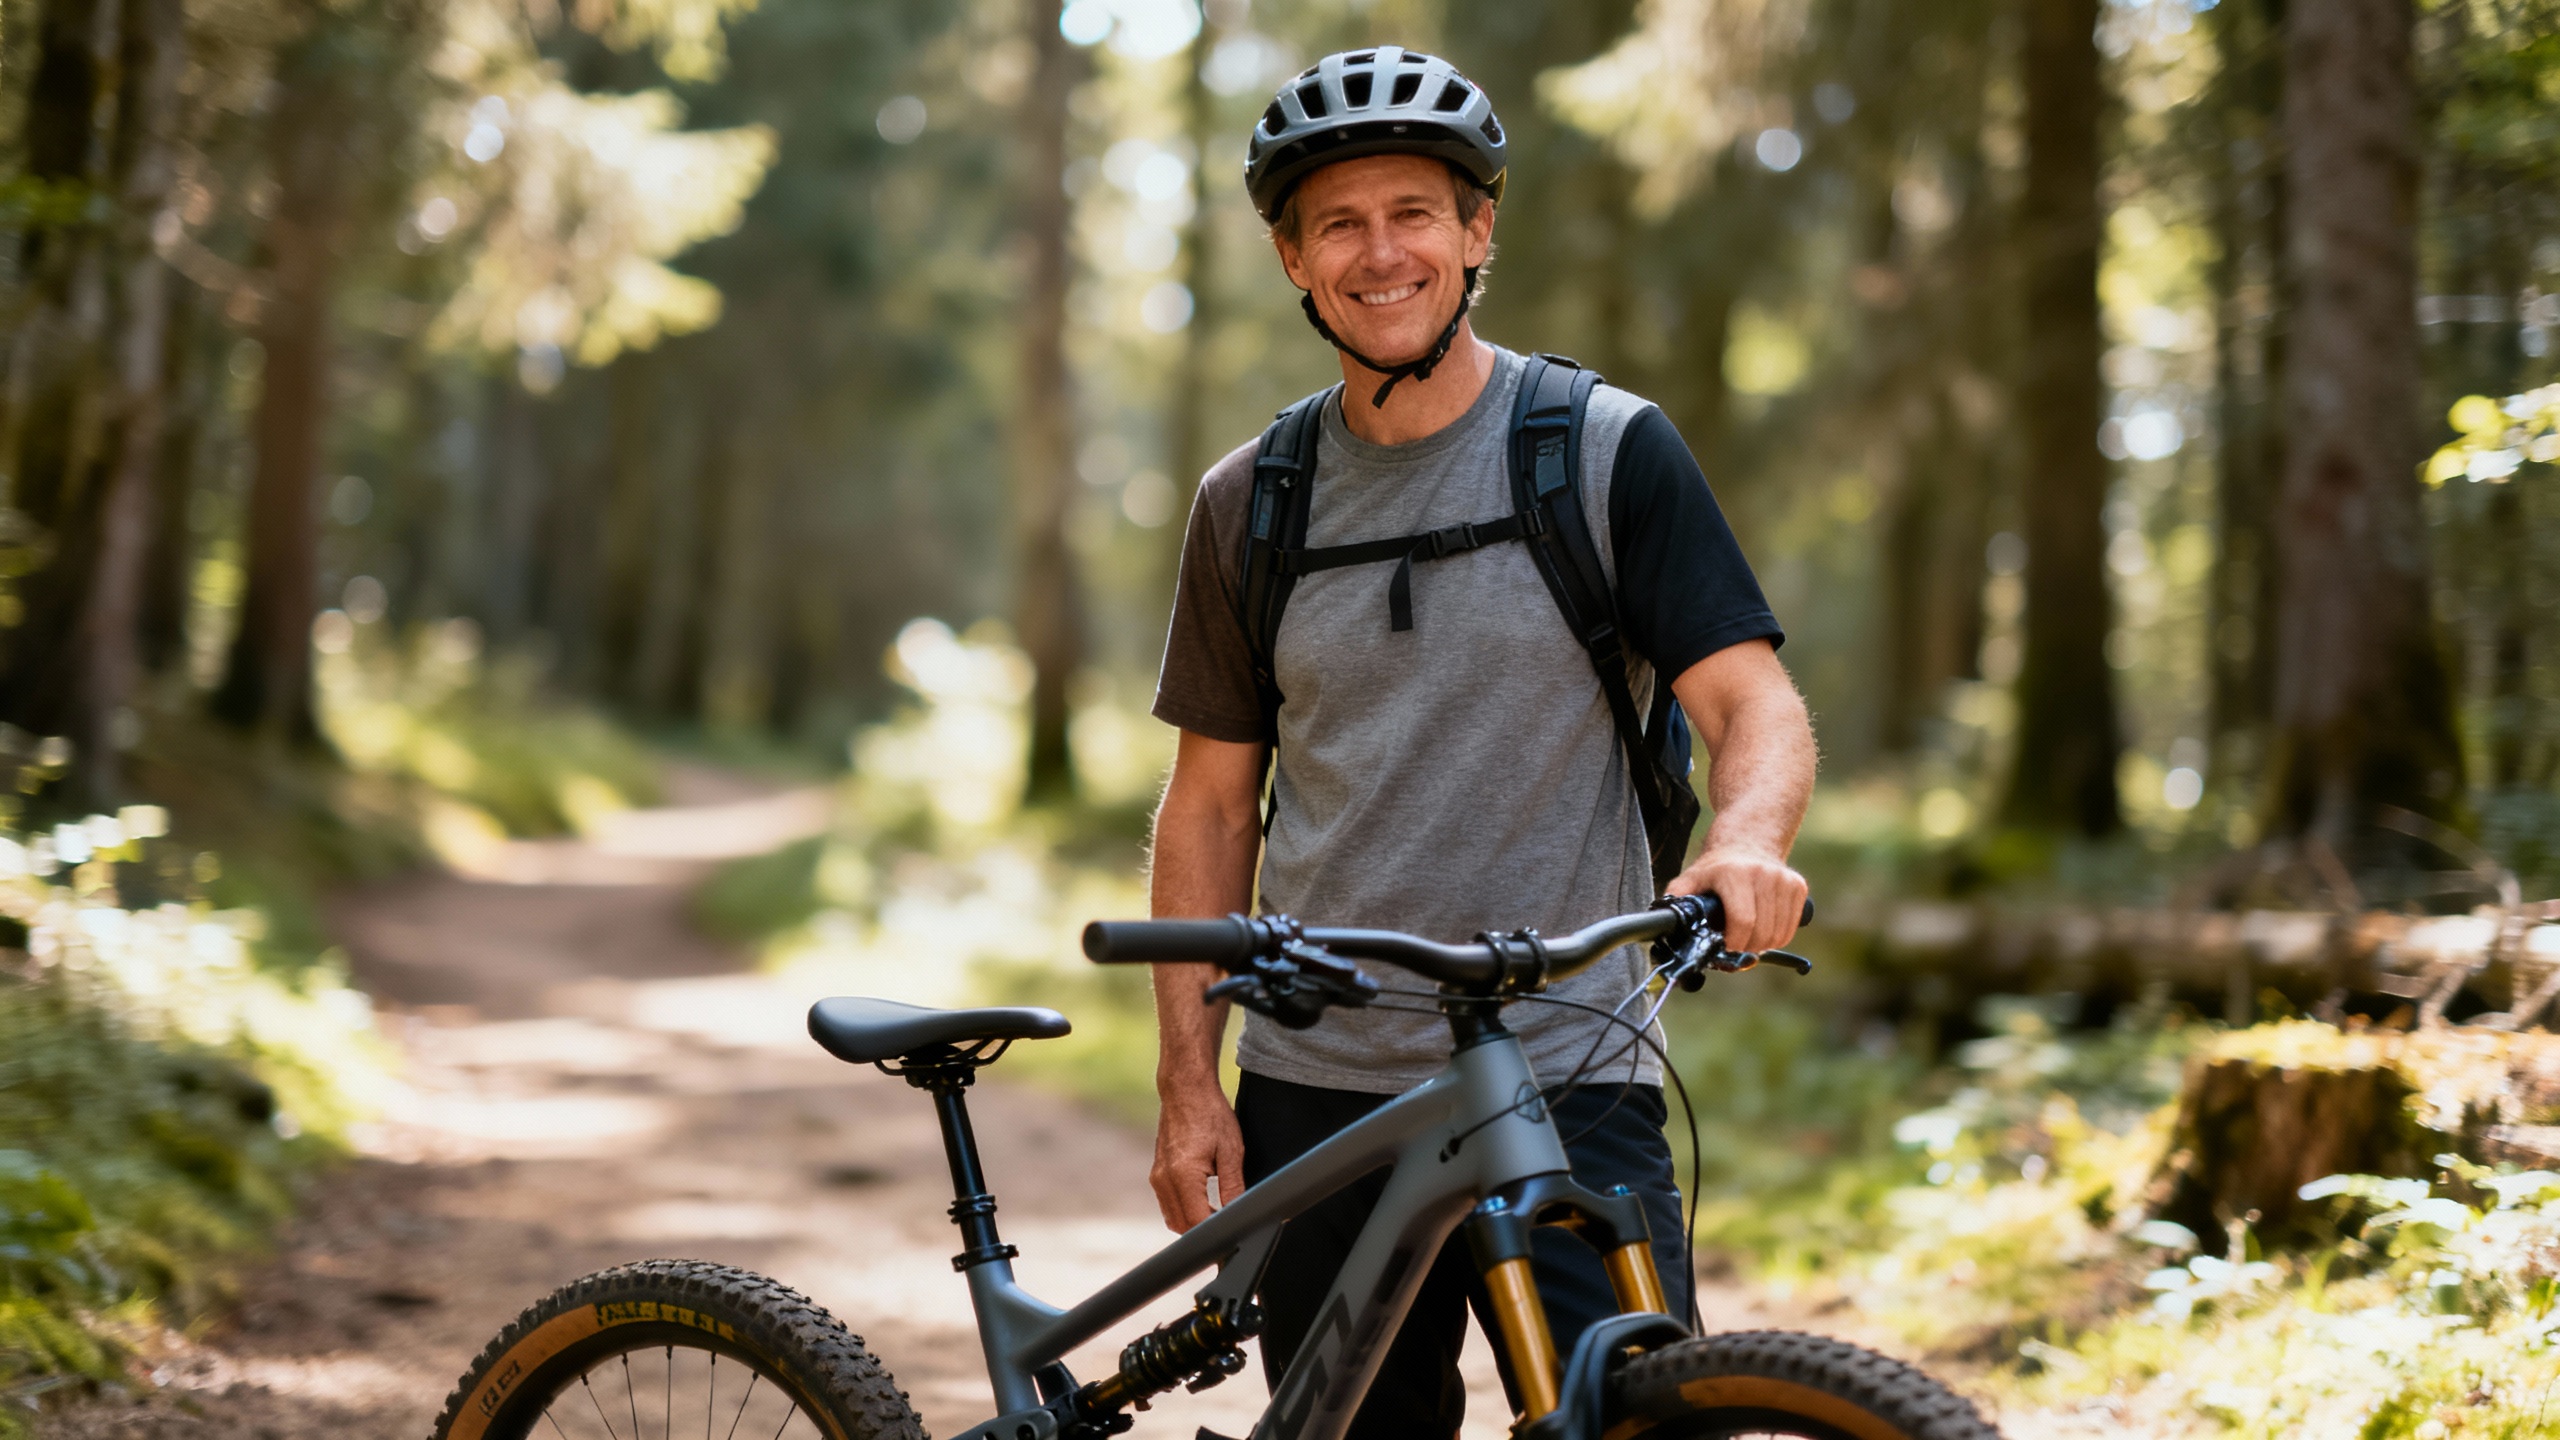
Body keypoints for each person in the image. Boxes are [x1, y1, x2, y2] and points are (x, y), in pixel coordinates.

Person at [1144, 46, 1818, 1440]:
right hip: (1318, 1087)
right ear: (1291, 259)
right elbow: (1208, 806)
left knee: (1629, 1422)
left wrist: (1749, 842)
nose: (1381, 252)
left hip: (1572, 1064)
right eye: (1338, 223)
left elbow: (1751, 703)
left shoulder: (1606, 450)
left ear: (1477, 232)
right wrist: (1187, 1081)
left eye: (1414, 213)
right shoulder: (1249, 501)